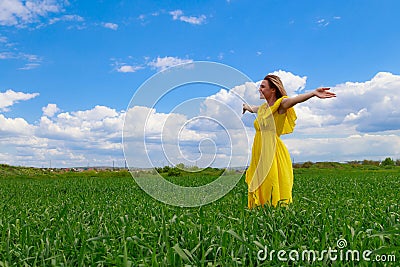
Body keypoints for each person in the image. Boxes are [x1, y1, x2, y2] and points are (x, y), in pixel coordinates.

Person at [243, 74, 336, 208]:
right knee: (260, 182)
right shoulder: (263, 108)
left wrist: (313, 93)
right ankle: (261, 211)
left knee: (271, 181)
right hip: (259, 152)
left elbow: (295, 100)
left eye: (263, 87)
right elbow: (252, 108)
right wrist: (245, 106)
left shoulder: (281, 104)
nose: (260, 89)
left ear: (273, 89)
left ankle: (274, 211)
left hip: (272, 151)